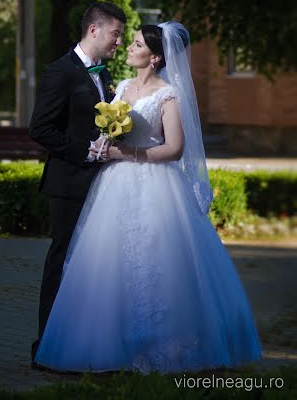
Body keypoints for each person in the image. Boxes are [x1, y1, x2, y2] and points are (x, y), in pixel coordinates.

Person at [34, 21, 262, 374]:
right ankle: (113, 345)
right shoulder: (121, 86)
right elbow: (108, 129)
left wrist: (128, 155)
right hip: (114, 184)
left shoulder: (168, 94)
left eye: (136, 43)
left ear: (154, 57)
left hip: (156, 184)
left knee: (158, 259)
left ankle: (165, 346)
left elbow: (174, 149)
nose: (128, 47)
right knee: (110, 261)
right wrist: (104, 143)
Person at [28, 1, 126, 365]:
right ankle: (46, 348)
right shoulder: (61, 71)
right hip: (68, 184)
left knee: (91, 267)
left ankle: (81, 343)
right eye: (115, 34)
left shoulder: (102, 73)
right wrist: (86, 150)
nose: (119, 41)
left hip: (100, 184)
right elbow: (40, 129)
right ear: (94, 30)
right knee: (63, 263)